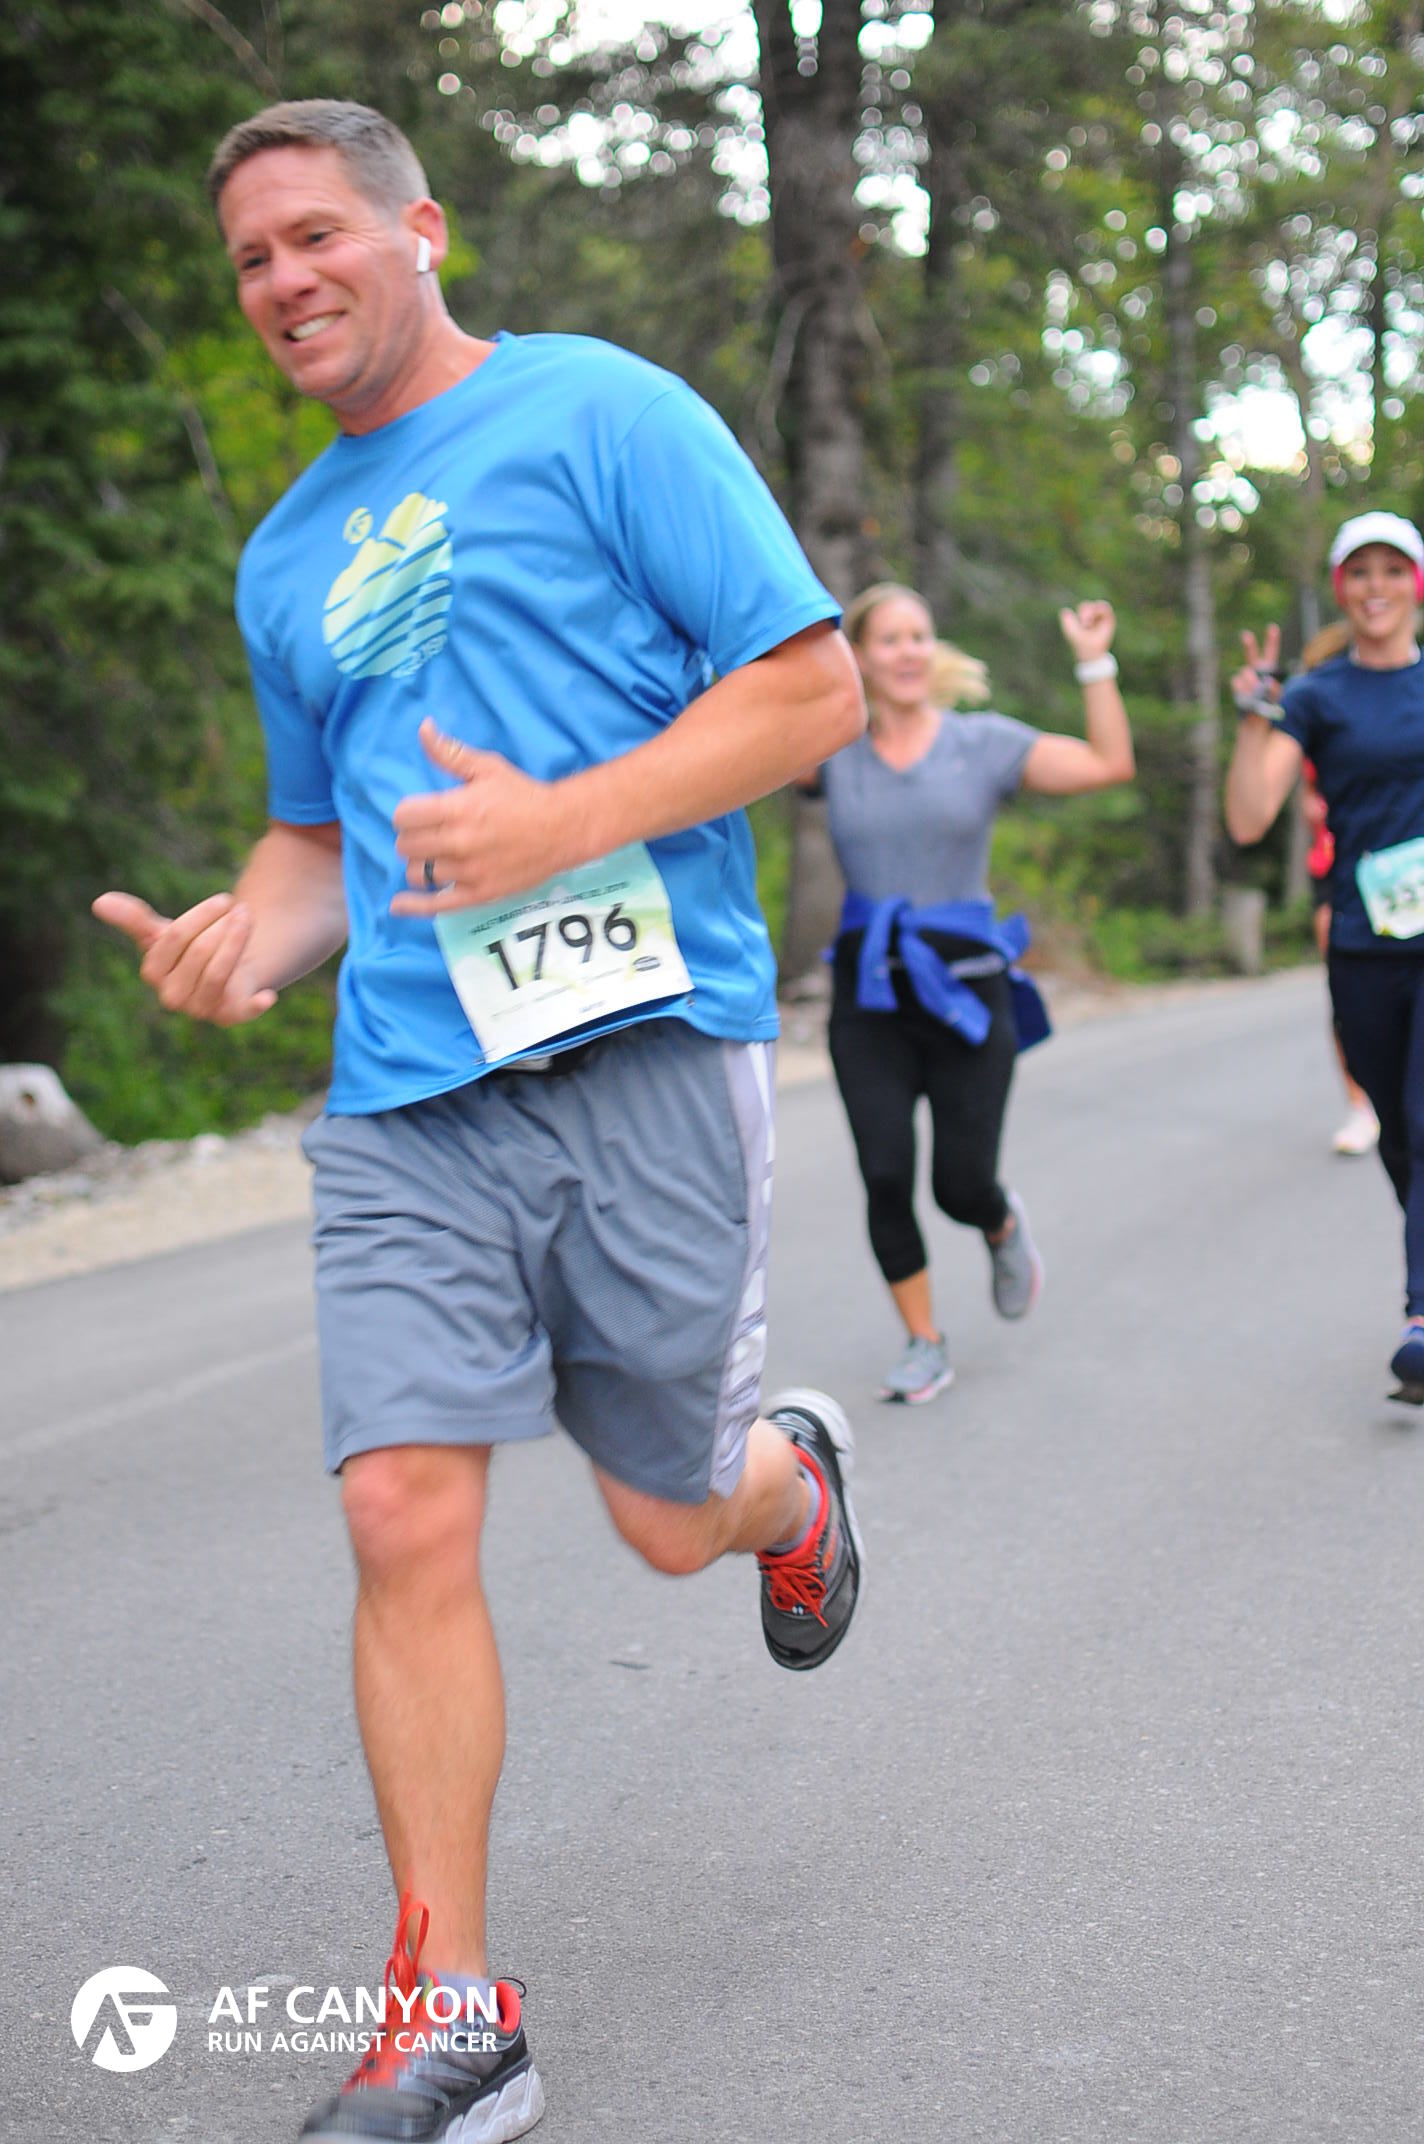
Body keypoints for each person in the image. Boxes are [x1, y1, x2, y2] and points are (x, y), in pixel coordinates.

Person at [92, 99, 868, 2144]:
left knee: (664, 1515)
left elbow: (808, 691)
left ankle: (783, 1486)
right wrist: (242, 941)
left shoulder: (602, 412)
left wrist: (565, 817)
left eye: (316, 235)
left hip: (648, 1041)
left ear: (419, 229)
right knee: (399, 1509)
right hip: (410, 1095)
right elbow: (313, 839)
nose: (283, 280)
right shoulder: (284, 557)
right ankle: (450, 2013)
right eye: (250, 258)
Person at [816, 582, 1135, 1404]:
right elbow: (730, 749)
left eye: (920, 635)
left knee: (958, 1185)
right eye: (890, 639)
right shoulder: (830, 750)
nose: (909, 652)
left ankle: (998, 1222)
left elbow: (1109, 764)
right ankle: (923, 1341)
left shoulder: (981, 743)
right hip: (869, 996)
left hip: (965, 996)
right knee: (886, 1173)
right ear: (857, 656)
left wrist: (1094, 662)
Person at [1226, 511, 1424, 1396]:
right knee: (1398, 1133)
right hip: (1362, 941)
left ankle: (1421, 1317)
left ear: (1415, 584)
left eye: (1394, 570)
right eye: (1361, 572)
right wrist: (1253, 718)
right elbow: (1248, 818)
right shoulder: (1315, 697)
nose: (1377, 587)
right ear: (1343, 588)